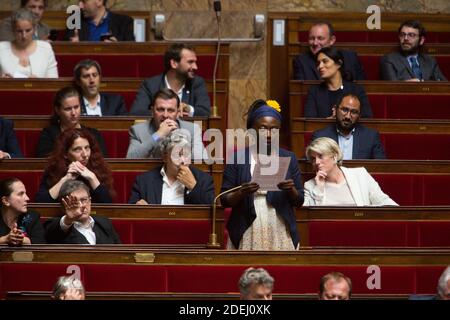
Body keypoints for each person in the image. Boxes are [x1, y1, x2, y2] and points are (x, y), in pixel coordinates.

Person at [221, 99, 304, 250]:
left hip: (279, 225)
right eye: (263, 128)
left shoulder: (288, 157)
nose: (269, 134)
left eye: (274, 129)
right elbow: (224, 200)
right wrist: (242, 192)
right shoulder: (238, 158)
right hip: (247, 225)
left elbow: (299, 201)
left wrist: (291, 189)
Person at [129, 129, 214, 205]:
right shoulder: (144, 181)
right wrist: (138, 208)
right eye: (178, 155)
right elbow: (130, 213)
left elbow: (212, 211)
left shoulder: (204, 180)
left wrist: (193, 187)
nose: (183, 161)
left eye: (186, 154)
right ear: (165, 157)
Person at [304, 137, 398, 206]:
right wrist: (319, 189)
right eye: (313, 159)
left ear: (335, 156)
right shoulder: (310, 186)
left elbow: (385, 203)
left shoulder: (360, 175)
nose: (316, 162)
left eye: (320, 156)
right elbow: (309, 218)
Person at [35, 128, 115, 204]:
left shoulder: (99, 168)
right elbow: (41, 203)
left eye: (87, 148)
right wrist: (66, 179)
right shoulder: (54, 170)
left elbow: (109, 206)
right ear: (65, 154)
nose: (85, 155)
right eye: (78, 149)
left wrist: (92, 178)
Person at [130, 43, 211, 117]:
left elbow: (205, 112)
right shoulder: (151, 85)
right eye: (190, 62)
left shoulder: (197, 83)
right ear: (174, 63)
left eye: (195, 62)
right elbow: (137, 112)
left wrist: (188, 109)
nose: (195, 67)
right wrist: (167, 111)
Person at [126, 88, 206, 160]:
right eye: (160, 109)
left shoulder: (192, 129)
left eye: (170, 110)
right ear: (152, 111)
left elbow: (201, 161)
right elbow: (130, 159)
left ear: (177, 112)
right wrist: (158, 135)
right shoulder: (137, 131)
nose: (165, 115)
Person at [36, 86, 108, 157]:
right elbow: (46, 161)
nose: (73, 113)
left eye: (76, 107)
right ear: (57, 110)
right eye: (68, 109)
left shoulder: (94, 134)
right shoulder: (49, 134)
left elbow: (101, 161)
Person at [310, 94, 385, 160]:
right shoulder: (320, 136)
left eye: (354, 112)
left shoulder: (371, 137)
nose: (348, 116)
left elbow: (380, 167)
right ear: (336, 109)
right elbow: (310, 162)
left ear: (359, 116)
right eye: (344, 110)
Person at [304, 46, 372, 118]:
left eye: (325, 61)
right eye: (318, 63)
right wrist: (329, 121)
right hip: (325, 129)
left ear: (339, 63)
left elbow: (367, 117)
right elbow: (310, 121)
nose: (320, 66)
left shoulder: (357, 90)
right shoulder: (314, 92)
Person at [44, 180, 121, 244]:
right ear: (65, 205)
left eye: (84, 200)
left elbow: (119, 253)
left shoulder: (104, 223)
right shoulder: (55, 226)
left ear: (90, 201)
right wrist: (68, 219)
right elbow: (51, 234)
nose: (81, 206)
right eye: (74, 203)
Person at [293, 21, 365, 81]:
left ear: (332, 40)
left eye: (320, 38)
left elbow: (362, 86)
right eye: (312, 38)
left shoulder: (350, 58)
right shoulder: (301, 62)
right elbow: (300, 92)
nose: (315, 43)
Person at [380, 20, 447, 81]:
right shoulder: (389, 59)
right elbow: (391, 87)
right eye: (402, 35)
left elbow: (443, 85)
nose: (405, 38)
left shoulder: (430, 61)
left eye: (411, 35)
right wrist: (408, 85)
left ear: (421, 40)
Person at [0, 8, 58, 78]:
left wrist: (38, 83)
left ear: (34, 29)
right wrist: (2, 81)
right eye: (19, 31)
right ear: (13, 30)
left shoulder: (46, 48)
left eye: (28, 30)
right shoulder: (1, 49)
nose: (24, 36)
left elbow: (53, 82)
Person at [0, 177, 46, 245]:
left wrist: (22, 239)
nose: (27, 198)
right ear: (6, 201)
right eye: (21, 194)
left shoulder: (32, 217)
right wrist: (5, 239)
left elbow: (41, 243)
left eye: (25, 193)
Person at [65, 0, 135, 42]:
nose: (80, 6)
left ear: (99, 1)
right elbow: (66, 47)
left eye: (84, 1)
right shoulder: (75, 18)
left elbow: (132, 51)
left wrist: (117, 48)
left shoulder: (124, 22)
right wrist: (74, 47)